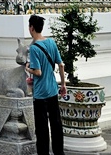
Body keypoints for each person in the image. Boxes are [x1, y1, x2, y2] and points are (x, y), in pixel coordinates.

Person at [25, 14, 66, 155]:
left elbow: (38, 72)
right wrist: (63, 85)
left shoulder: (34, 48)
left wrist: (28, 68)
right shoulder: (51, 43)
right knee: (56, 125)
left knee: (42, 129)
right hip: (53, 90)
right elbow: (60, 65)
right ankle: (59, 152)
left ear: (31, 28)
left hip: (41, 94)